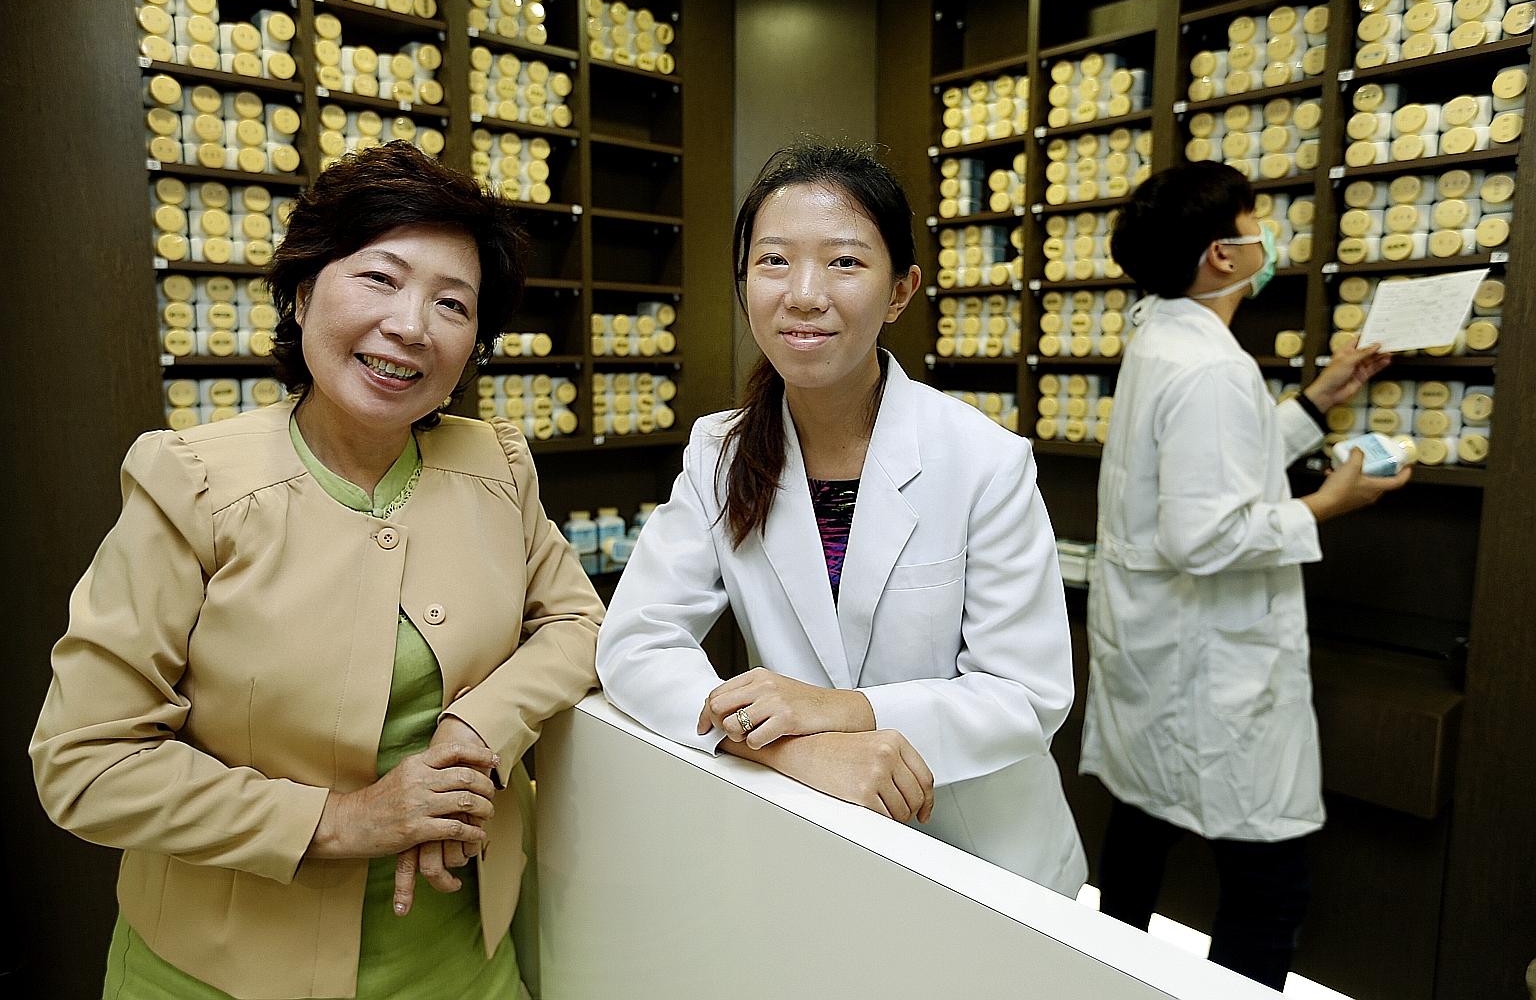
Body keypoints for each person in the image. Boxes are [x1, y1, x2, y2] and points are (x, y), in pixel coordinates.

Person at [31, 142, 603, 1000]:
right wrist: (342, 821)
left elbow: (578, 623)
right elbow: (87, 762)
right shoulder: (191, 482)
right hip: (218, 975)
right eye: (380, 279)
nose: (411, 326)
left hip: (461, 964)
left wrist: (478, 726)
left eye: (452, 304)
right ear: (302, 294)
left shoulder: (495, 465)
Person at [595, 141, 1086, 896]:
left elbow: (1027, 695)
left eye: (845, 262)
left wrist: (841, 712)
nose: (804, 293)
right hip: (814, 827)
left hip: (983, 858)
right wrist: (779, 747)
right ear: (743, 283)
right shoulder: (720, 452)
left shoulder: (983, 461)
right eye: (773, 261)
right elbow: (636, 642)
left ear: (900, 291)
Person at [1078, 161, 1411, 989]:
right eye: (1257, 219)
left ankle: (1094, 977)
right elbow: (1206, 533)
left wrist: (1316, 402)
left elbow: (1213, 463)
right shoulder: (1211, 366)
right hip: (1209, 666)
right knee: (1271, 886)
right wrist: (1328, 503)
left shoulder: (1164, 335)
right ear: (1221, 255)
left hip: (1158, 653)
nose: (1269, 235)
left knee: (1139, 839)